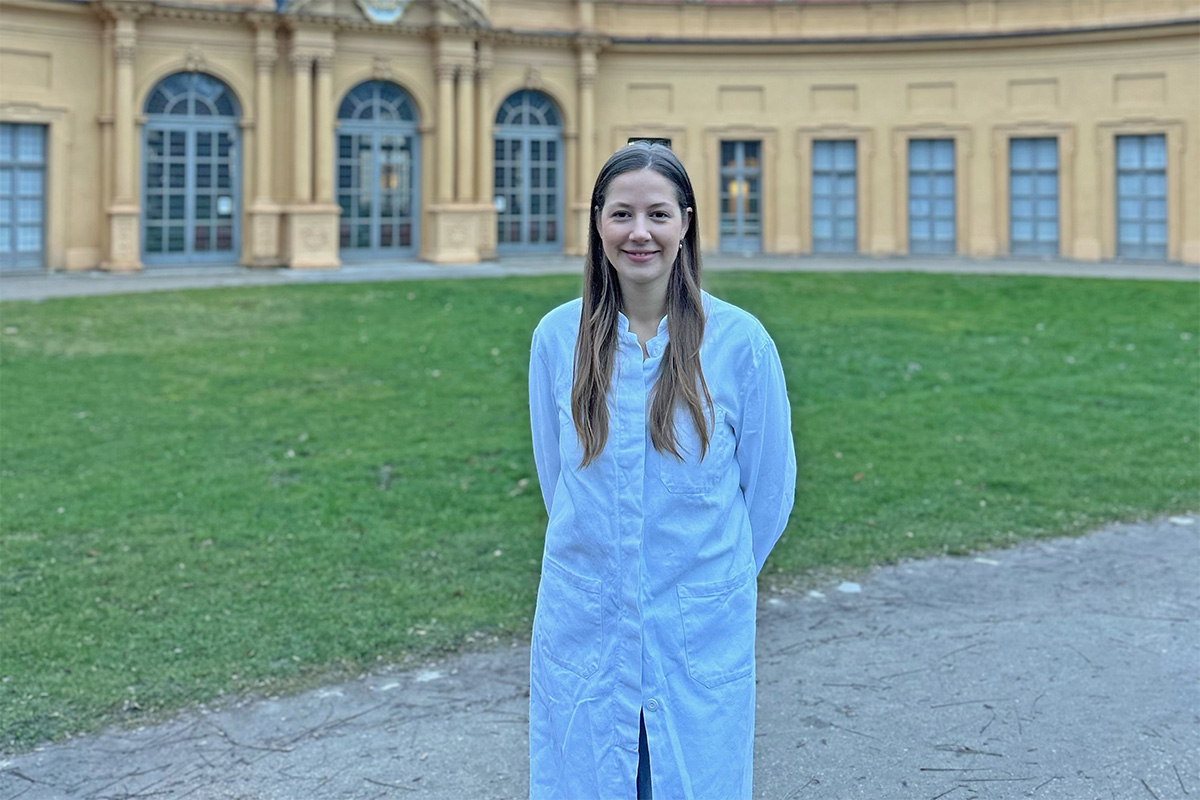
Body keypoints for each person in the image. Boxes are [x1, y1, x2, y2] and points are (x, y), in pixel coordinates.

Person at [527, 141, 797, 800]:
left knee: (690, 778)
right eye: (621, 214)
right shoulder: (556, 340)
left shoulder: (741, 345)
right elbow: (557, 480)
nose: (639, 232)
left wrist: (707, 578)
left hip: (697, 625)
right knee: (591, 773)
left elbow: (769, 493)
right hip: (586, 616)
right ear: (597, 224)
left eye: (657, 214)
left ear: (686, 224)